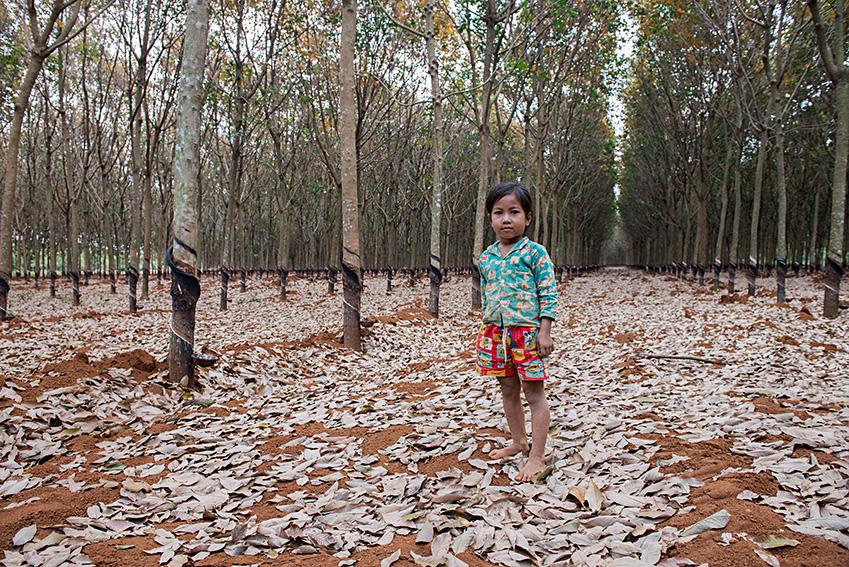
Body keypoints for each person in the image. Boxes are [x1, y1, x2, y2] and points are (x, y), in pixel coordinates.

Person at [476, 181, 558, 482]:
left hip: (527, 334)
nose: (506, 219)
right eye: (498, 213)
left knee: (534, 393)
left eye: (514, 212)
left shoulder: (535, 253)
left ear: (528, 217)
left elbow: (548, 292)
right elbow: (487, 294)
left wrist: (544, 331)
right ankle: (519, 441)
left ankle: (536, 456)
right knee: (508, 389)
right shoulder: (486, 258)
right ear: (490, 218)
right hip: (496, 334)